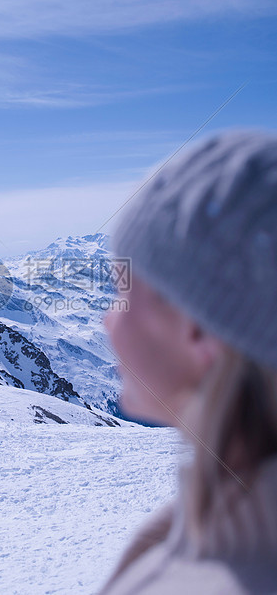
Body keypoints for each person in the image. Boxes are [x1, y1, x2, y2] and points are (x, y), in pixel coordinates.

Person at [99, 129, 277, 594]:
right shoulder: (203, 529)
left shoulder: (217, 576)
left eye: (121, 293)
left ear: (200, 330)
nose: (105, 322)